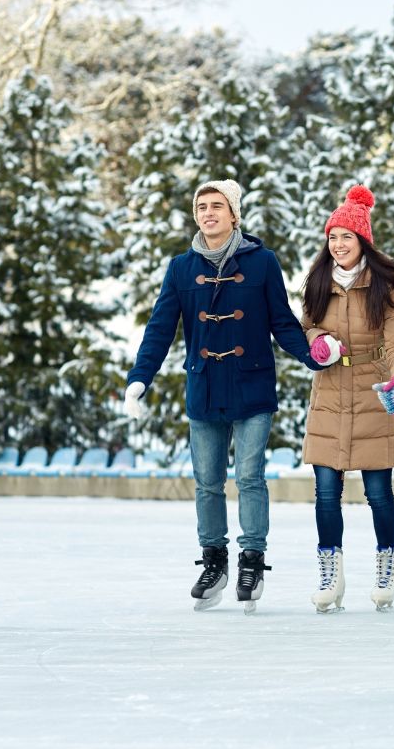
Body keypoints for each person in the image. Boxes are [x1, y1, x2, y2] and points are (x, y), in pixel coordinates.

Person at [124, 179, 323, 614]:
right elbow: (160, 329)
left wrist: (312, 356)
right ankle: (214, 560)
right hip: (204, 387)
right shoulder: (181, 268)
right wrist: (140, 378)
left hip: (251, 384)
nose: (209, 213)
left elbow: (282, 322)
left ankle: (252, 559)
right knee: (208, 483)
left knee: (250, 477)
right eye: (202, 206)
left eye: (218, 206)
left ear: (234, 214)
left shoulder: (262, 262)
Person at [301, 185, 394, 614]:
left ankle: (388, 562)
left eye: (346, 237)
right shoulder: (317, 281)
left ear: (362, 241)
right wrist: (317, 343)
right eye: (333, 237)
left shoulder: (384, 287)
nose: (339, 245)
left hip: (374, 393)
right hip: (330, 394)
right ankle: (330, 572)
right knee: (326, 491)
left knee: (378, 492)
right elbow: (305, 326)